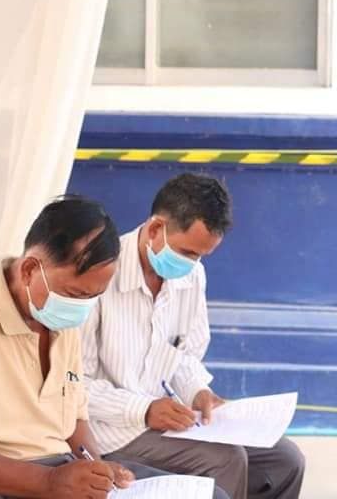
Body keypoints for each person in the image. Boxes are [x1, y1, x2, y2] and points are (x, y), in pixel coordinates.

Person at [0, 195, 228, 499]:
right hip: (9, 481)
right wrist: (49, 482)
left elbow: (76, 419)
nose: (81, 309)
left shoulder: (58, 315)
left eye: (92, 297)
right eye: (75, 294)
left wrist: (98, 468)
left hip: (61, 468)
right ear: (29, 269)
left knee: (211, 497)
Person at [82, 173, 305, 499]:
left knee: (285, 461)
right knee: (225, 460)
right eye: (187, 252)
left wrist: (198, 391)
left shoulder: (192, 276)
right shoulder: (101, 276)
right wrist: (144, 409)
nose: (191, 264)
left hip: (169, 421)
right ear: (156, 228)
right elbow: (75, 385)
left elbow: (185, 355)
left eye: (200, 256)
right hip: (113, 430)